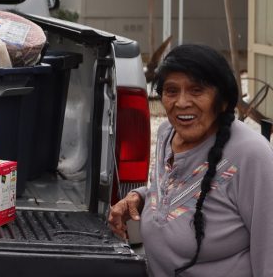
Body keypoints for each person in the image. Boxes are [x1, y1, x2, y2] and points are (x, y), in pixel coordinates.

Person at [108, 43, 273, 276]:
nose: (182, 102)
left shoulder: (251, 155)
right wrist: (141, 197)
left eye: (197, 90)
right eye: (171, 90)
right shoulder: (167, 133)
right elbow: (178, 192)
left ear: (223, 100)